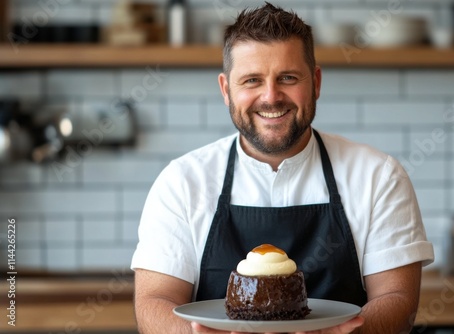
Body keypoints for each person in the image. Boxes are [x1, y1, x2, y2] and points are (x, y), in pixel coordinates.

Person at [131, 3, 434, 334]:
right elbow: (153, 302)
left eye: (288, 78)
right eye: (251, 80)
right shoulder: (182, 183)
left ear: (315, 82)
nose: (271, 97)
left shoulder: (378, 177)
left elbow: (398, 300)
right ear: (225, 90)